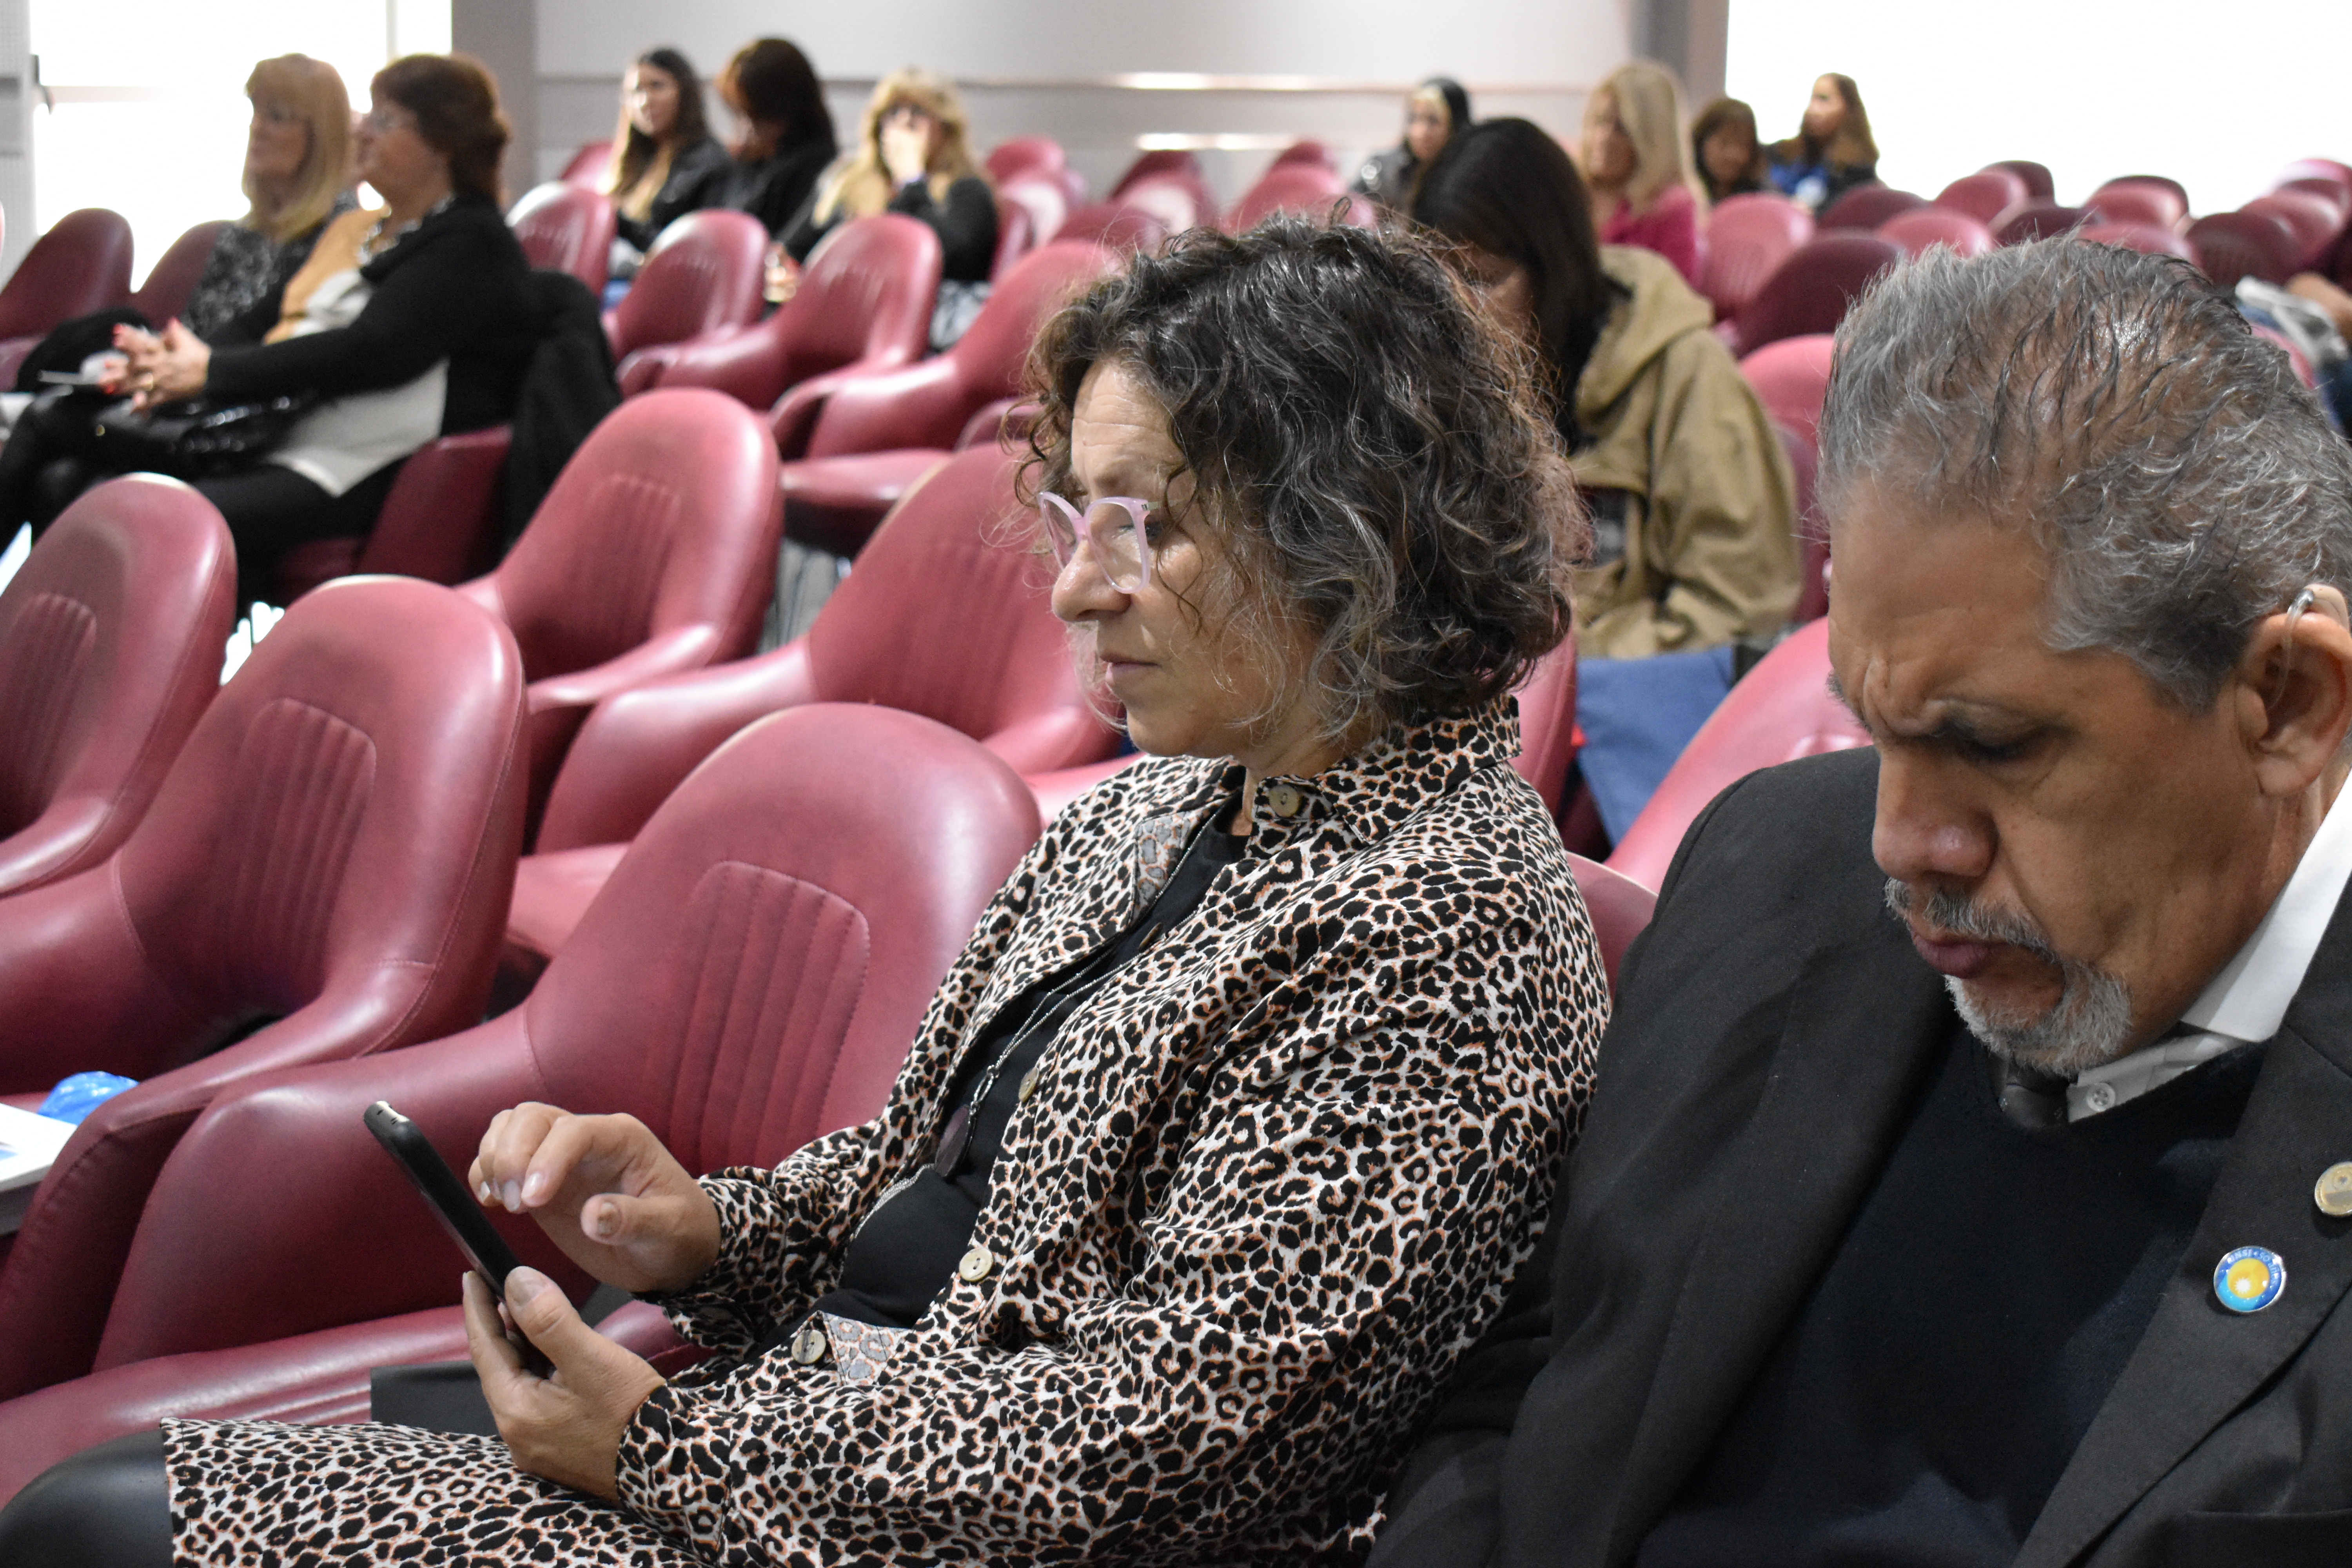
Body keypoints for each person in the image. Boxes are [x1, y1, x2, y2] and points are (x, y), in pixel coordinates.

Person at [0, 218, 1610, 1567]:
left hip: (874, 1520)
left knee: (94, 1528)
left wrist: (666, 1451)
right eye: (1078, 517)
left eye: (1153, 529)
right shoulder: (1166, 803)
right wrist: (706, 1230)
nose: (1076, 586)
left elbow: (1156, 1455)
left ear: (1359, 533)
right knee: (95, 1509)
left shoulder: (1442, 935)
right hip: (802, 1449)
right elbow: (920, 1177)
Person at [1370, 239, 2352, 1567]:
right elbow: (1528, 1386)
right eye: (1875, 728)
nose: (1899, 843)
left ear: (2287, 704)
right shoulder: (1772, 869)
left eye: (1993, 744)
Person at [97, 53, 534, 607]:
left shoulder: (471, 240)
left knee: (169, 520)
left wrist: (211, 373)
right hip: (299, 434)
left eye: (385, 120)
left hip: (371, 466)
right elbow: (268, 317)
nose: (362, 132)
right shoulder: (376, 230)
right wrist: (172, 360)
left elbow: (370, 350)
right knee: (87, 476)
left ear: (441, 144)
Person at [1414, 116, 1797, 661]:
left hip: (1620, 685)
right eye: (1435, 284)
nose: (1455, 314)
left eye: (1483, 279)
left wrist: (1558, 675)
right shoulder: (1428, 381)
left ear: (1555, 269)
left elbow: (1735, 607)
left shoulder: (1683, 374)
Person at [0, 54, 354, 536]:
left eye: (277, 116)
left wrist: (171, 369)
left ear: (319, 136)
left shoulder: (339, 234)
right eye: (254, 111)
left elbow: (276, 350)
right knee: (58, 478)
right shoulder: (243, 232)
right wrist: (150, 361)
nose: (257, 128)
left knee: (47, 421)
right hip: (182, 393)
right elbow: (198, 330)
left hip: (243, 418)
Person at [785, 68, 997, 334]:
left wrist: (912, 181)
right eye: (894, 112)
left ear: (945, 128)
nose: (903, 123)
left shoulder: (967, 188)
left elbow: (952, 258)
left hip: (908, 326)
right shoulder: (849, 180)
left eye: (918, 113)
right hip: (834, 313)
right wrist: (785, 272)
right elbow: (795, 247)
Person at [1581, 62, 1704, 287]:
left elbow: (1673, 296)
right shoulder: (1567, 189)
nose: (1604, 138)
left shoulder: (1672, 209)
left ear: (1653, 139)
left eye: (1622, 129)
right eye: (1600, 121)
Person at [603, 48, 730, 263]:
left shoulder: (709, 163)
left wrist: (618, 222)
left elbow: (690, 249)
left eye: (657, 86)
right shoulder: (634, 158)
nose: (644, 101)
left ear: (685, 94)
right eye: (635, 91)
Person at [706, 38, 835, 240]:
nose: (747, 129)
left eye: (755, 117)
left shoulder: (814, 167)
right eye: (741, 115)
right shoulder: (747, 160)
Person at [1352, 76, 1472, 213]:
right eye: (1413, 119)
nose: (1420, 132)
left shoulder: (1468, 180)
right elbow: (1350, 210)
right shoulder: (1381, 171)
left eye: (1433, 121)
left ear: (1456, 126)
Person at [1768, 71, 1877, 212]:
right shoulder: (1780, 152)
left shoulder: (1859, 169)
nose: (1812, 110)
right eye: (1812, 99)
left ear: (1849, 109)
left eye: (1824, 100)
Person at [1690, 95, 1768, 205]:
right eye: (1724, 143)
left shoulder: (1762, 196)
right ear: (1702, 141)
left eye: (1743, 145)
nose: (1733, 154)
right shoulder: (1685, 193)